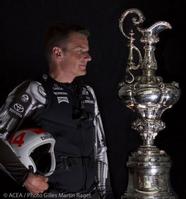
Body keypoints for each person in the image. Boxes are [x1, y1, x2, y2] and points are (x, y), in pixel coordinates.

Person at [0, 23, 113, 198]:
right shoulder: (35, 91)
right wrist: (24, 178)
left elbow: (100, 149)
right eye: (80, 51)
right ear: (58, 53)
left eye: (87, 51)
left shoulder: (88, 93)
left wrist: (106, 195)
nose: (88, 57)